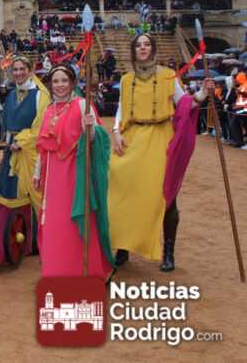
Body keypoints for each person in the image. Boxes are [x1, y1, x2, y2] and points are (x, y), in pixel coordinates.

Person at [108, 34, 213, 272]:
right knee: (121, 188)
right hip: (132, 136)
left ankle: (168, 251)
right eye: (138, 45)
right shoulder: (126, 79)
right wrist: (116, 131)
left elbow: (184, 103)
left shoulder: (168, 75)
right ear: (133, 51)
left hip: (160, 137)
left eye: (146, 44)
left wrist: (203, 94)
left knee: (166, 195)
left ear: (153, 49)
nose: (142, 48)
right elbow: (121, 108)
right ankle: (123, 245)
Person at [33, 65, 114, 278]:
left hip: (74, 175)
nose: (60, 85)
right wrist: (37, 171)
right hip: (52, 176)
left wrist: (90, 129)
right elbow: (43, 147)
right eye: (56, 81)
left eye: (64, 81)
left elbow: (98, 141)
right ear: (50, 84)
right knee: (54, 224)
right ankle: (56, 271)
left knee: (71, 222)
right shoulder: (48, 110)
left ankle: (80, 271)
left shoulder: (82, 105)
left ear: (72, 83)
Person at [0, 56, 50, 200]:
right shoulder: (11, 94)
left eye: (22, 69)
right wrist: (8, 142)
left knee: (30, 191)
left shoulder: (41, 96)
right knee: (9, 188)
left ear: (30, 71)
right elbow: (8, 122)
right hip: (10, 151)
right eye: (15, 70)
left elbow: (42, 126)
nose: (18, 73)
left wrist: (22, 142)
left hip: (30, 151)